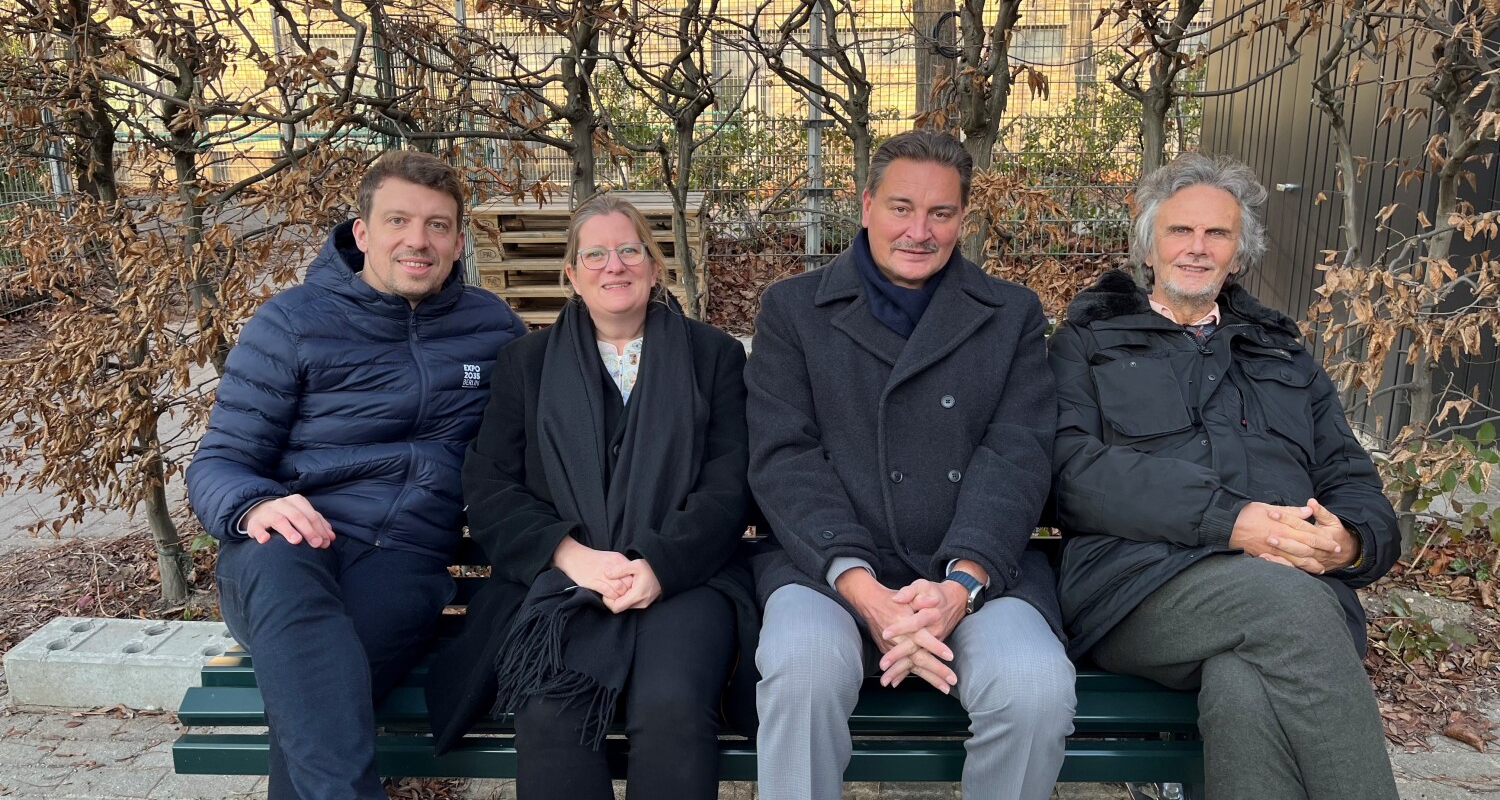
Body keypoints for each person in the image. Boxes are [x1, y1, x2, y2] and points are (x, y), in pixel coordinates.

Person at [1049, 152, 1401, 800]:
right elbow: (1074, 473)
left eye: (1217, 234)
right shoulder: (1088, 344)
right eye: (1180, 230)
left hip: (1285, 600)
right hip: (1137, 591)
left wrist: (1350, 540)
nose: (1197, 248)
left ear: (1239, 254)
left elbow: (1350, 474)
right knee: (1290, 611)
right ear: (1149, 245)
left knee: (1245, 685)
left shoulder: (1285, 357)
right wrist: (1232, 522)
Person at [747, 129, 1075, 800]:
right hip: (829, 570)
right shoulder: (793, 310)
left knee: (1035, 689)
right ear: (865, 205)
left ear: (964, 217)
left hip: (974, 572)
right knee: (799, 669)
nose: (919, 231)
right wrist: (864, 590)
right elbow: (786, 458)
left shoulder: (1010, 314)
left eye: (941, 213)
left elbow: (1017, 454)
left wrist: (960, 586)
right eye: (901, 207)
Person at [185, 151, 524, 799]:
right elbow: (219, 462)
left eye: (437, 225)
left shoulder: (491, 331)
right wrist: (255, 505)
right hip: (281, 551)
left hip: (399, 563)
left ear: (457, 240)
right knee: (308, 648)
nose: (417, 240)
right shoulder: (292, 322)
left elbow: (549, 436)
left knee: (318, 707)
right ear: (362, 231)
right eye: (398, 220)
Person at [423, 194, 757, 800]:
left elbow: (728, 484)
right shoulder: (525, 364)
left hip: (685, 578)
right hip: (562, 583)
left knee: (673, 707)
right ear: (572, 274)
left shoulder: (714, 357)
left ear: (654, 267)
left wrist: (658, 564)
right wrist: (573, 557)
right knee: (551, 714)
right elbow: (491, 484)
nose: (615, 266)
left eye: (630, 250)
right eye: (595, 254)